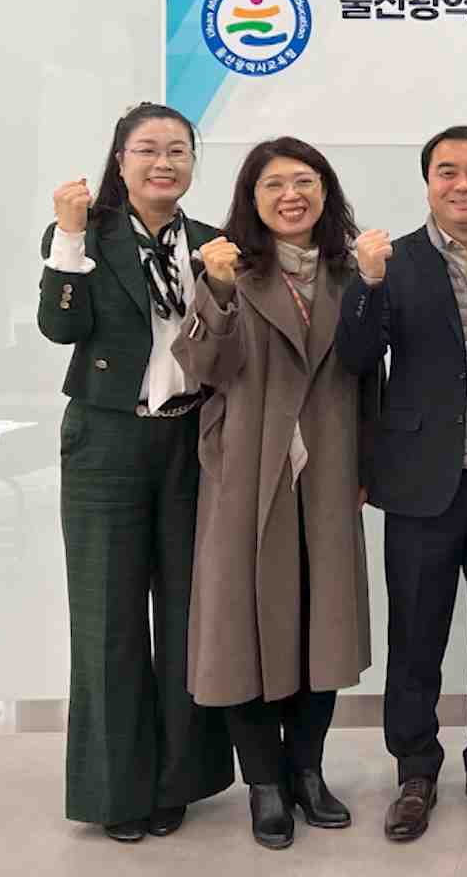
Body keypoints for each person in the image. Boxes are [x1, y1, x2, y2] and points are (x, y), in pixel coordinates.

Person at [335, 126, 467, 842]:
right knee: (416, 637)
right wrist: (365, 284)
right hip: (420, 482)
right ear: (428, 182)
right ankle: (415, 771)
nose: (463, 183)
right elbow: (356, 357)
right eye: (447, 171)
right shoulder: (392, 262)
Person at [173, 137, 377, 850]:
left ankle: (308, 772)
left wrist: (368, 466)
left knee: (323, 622)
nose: (292, 196)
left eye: (305, 182)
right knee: (242, 628)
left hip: (327, 468)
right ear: (252, 200)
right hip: (246, 470)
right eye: (274, 185)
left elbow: (372, 377)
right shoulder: (228, 269)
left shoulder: (352, 274)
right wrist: (218, 291)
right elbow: (203, 366)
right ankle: (264, 782)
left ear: (325, 192)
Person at [37, 102, 233, 842]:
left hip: (191, 441)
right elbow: (61, 327)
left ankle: (179, 779)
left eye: (177, 150)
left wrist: (222, 286)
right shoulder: (85, 235)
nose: (163, 162)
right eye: (147, 149)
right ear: (119, 162)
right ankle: (116, 790)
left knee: (189, 616)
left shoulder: (213, 244)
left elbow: (230, 352)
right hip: (107, 441)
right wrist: (69, 235)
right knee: (108, 619)